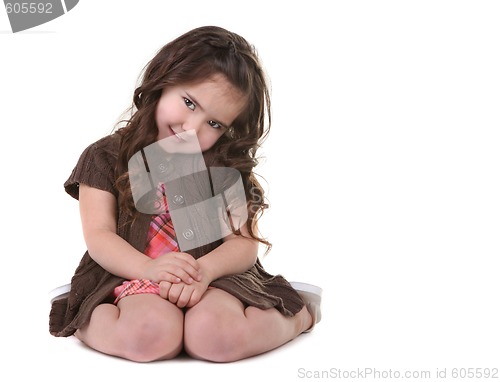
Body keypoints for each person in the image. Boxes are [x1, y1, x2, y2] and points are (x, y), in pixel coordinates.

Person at [49, 25, 322, 363]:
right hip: (132, 272)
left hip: (214, 276)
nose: (192, 128)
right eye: (190, 103)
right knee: (149, 336)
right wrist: (149, 270)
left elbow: (243, 243)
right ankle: (80, 315)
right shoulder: (105, 157)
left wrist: (203, 271)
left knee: (214, 337)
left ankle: (300, 316)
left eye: (215, 124)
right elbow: (100, 236)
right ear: (163, 80)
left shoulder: (224, 167)